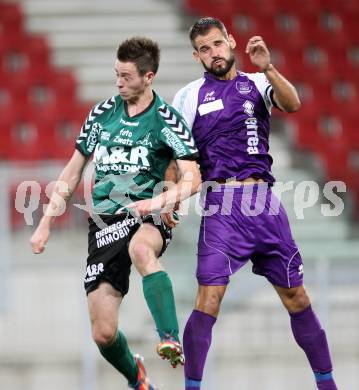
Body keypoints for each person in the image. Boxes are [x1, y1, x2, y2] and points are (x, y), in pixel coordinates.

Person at [172, 17, 338, 390]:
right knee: (208, 299)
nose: (213, 53)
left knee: (296, 296)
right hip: (221, 207)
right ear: (196, 56)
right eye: (204, 49)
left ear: (230, 41)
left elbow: (293, 104)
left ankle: (327, 384)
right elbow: (176, 156)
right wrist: (171, 199)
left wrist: (269, 66)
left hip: (263, 203)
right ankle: (192, 387)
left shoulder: (258, 83)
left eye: (217, 44)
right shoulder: (188, 96)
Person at [30, 37, 201, 390]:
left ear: (148, 76)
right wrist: (45, 223)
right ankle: (134, 374)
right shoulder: (101, 114)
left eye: (126, 76)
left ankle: (169, 336)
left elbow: (193, 178)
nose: (119, 82)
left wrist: (159, 202)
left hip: (146, 214)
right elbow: (72, 172)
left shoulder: (166, 119)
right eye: (116, 75)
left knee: (142, 251)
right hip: (103, 222)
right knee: (103, 333)